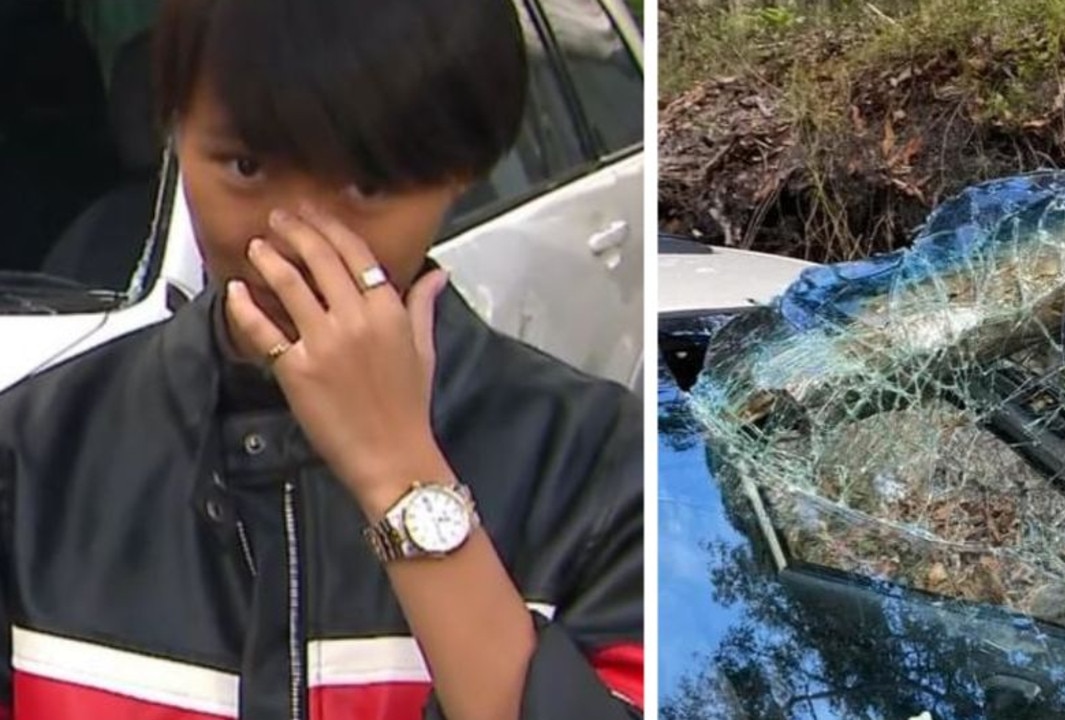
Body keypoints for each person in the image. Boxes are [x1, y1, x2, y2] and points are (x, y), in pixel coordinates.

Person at [0, 0, 643, 718]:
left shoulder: (602, 472)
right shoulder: (33, 457)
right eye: (246, 167)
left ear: (466, 166)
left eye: (367, 186)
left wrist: (401, 474)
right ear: (175, 131)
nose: (294, 240)